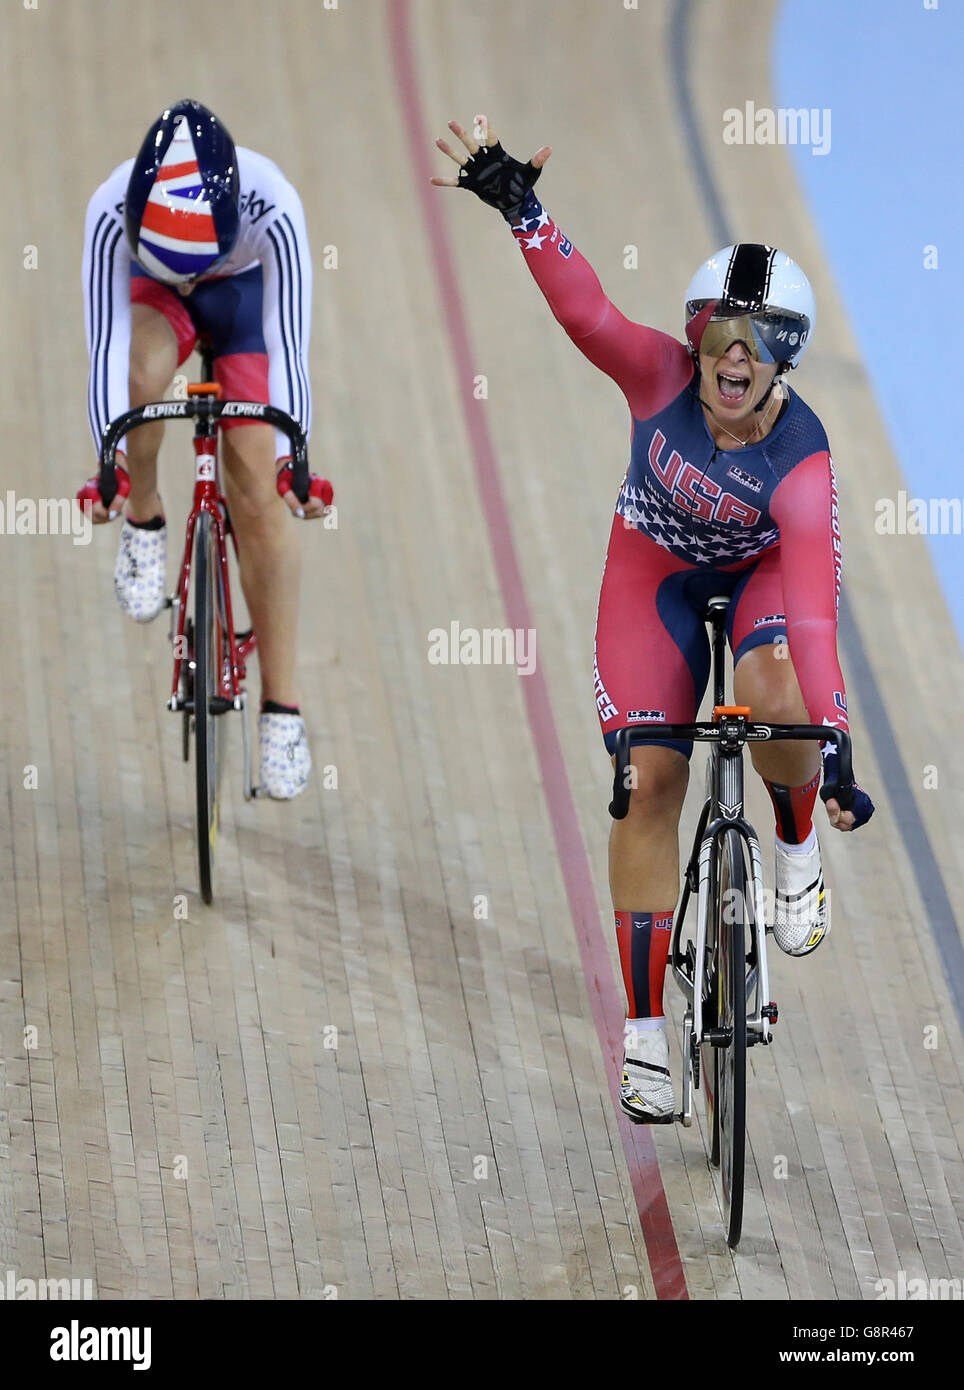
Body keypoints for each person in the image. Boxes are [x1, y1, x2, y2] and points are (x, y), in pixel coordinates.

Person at [433, 117, 874, 1123]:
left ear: (781, 363)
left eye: (753, 347)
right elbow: (588, 315)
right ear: (695, 338)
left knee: (776, 689)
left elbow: (811, 618)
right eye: (719, 334)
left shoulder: (803, 461)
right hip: (656, 577)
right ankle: (641, 1034)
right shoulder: (656, 376)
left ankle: (794, 843)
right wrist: (524, 215)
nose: (732, 358)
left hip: (761, 582)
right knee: (648, 782)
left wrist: (835, 746)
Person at [80, 99, 328, 799]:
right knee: (141, 374)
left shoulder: (273, 205)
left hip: (246, 303)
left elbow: (288, 350)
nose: (189, 273)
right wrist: (110, 469)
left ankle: (282, 706)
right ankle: (148, 516)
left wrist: (293, 460)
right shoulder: (108, 208)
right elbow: (106, 349)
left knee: (258, 492)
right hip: (155, 302)